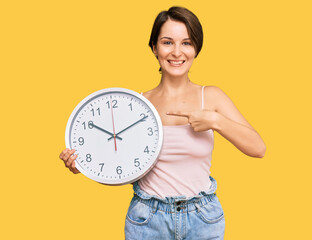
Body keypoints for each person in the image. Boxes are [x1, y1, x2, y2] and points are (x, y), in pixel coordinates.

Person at [59, 6, 266, 240]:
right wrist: (83, 164)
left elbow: (258, 148)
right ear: (154, 48)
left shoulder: (211, 97)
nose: (177, 52)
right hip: (147, 218)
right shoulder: (136, 105)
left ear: (196, 49)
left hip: (203, 219)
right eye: (168, 42)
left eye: (186, 43)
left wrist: (215, 120)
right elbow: (116, 157)